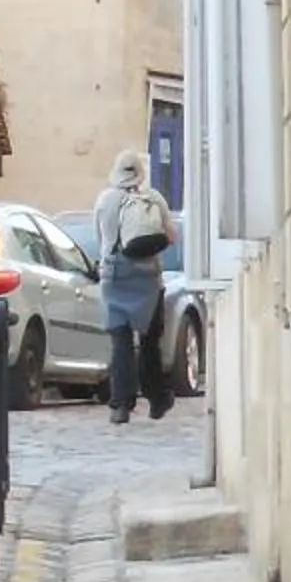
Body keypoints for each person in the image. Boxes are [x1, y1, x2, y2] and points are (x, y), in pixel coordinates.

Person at [90, 147, 176, 425]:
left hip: (114, 276)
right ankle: (156, 398)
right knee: (151, 341)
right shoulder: (153, 199)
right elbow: (171, 235)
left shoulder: (104, 200)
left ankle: (120, 404)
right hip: (148, 277)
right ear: (141, 173)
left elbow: (100, 237)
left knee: (120, 341)